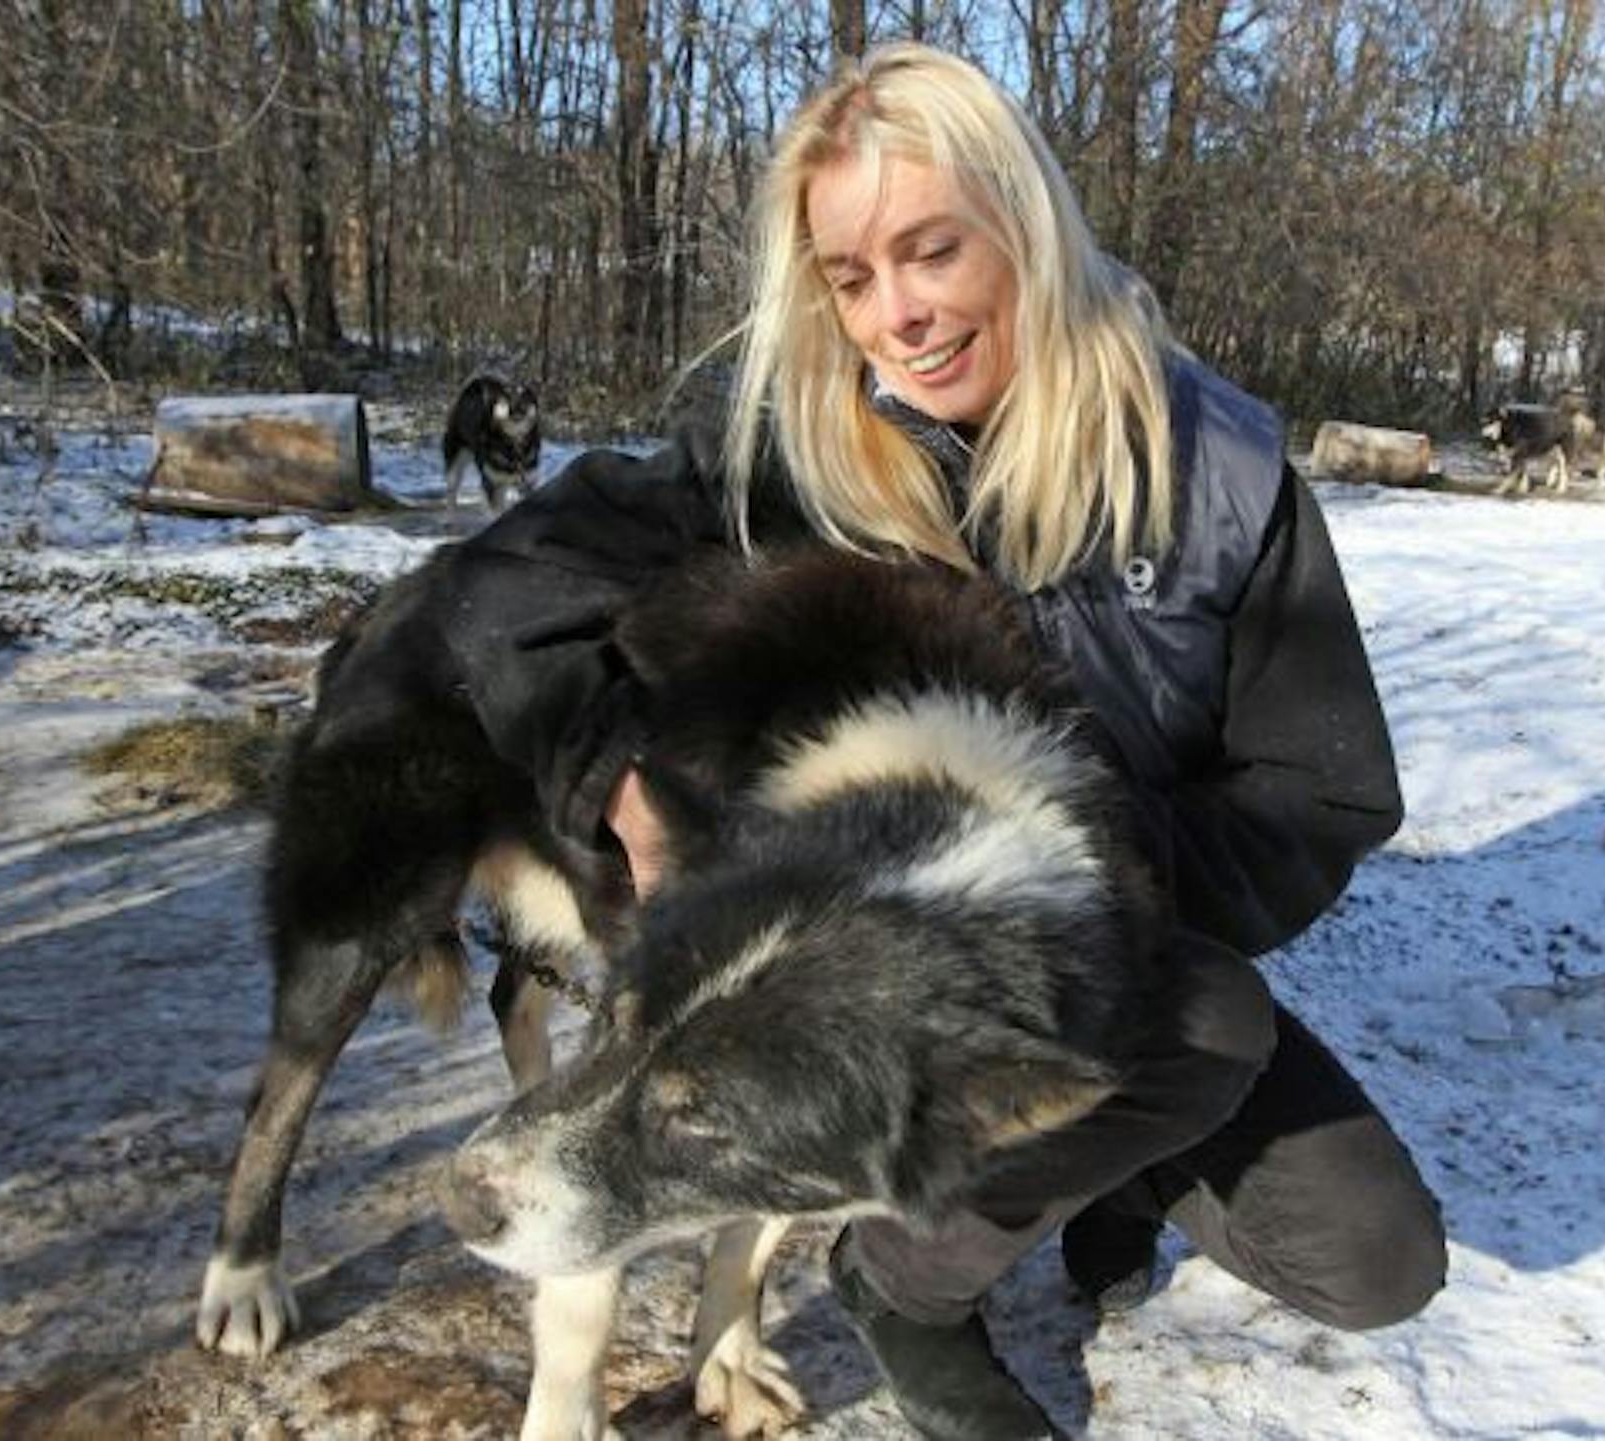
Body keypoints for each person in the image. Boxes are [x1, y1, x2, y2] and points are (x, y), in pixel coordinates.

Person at [464, 42, 1444, 1441]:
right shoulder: (780, 443)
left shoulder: (1215, 471)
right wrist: (613, 777)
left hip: (1097, 940)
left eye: (932, 252)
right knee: (1202, 1035)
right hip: (813, 961)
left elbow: (1323, 794)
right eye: (852, 279)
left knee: (1370, 1253)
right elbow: (510, 596)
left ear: (1023, 227)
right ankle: (906, 1287)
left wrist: (1067, 876)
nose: (898, 317)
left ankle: (1094, 1149)